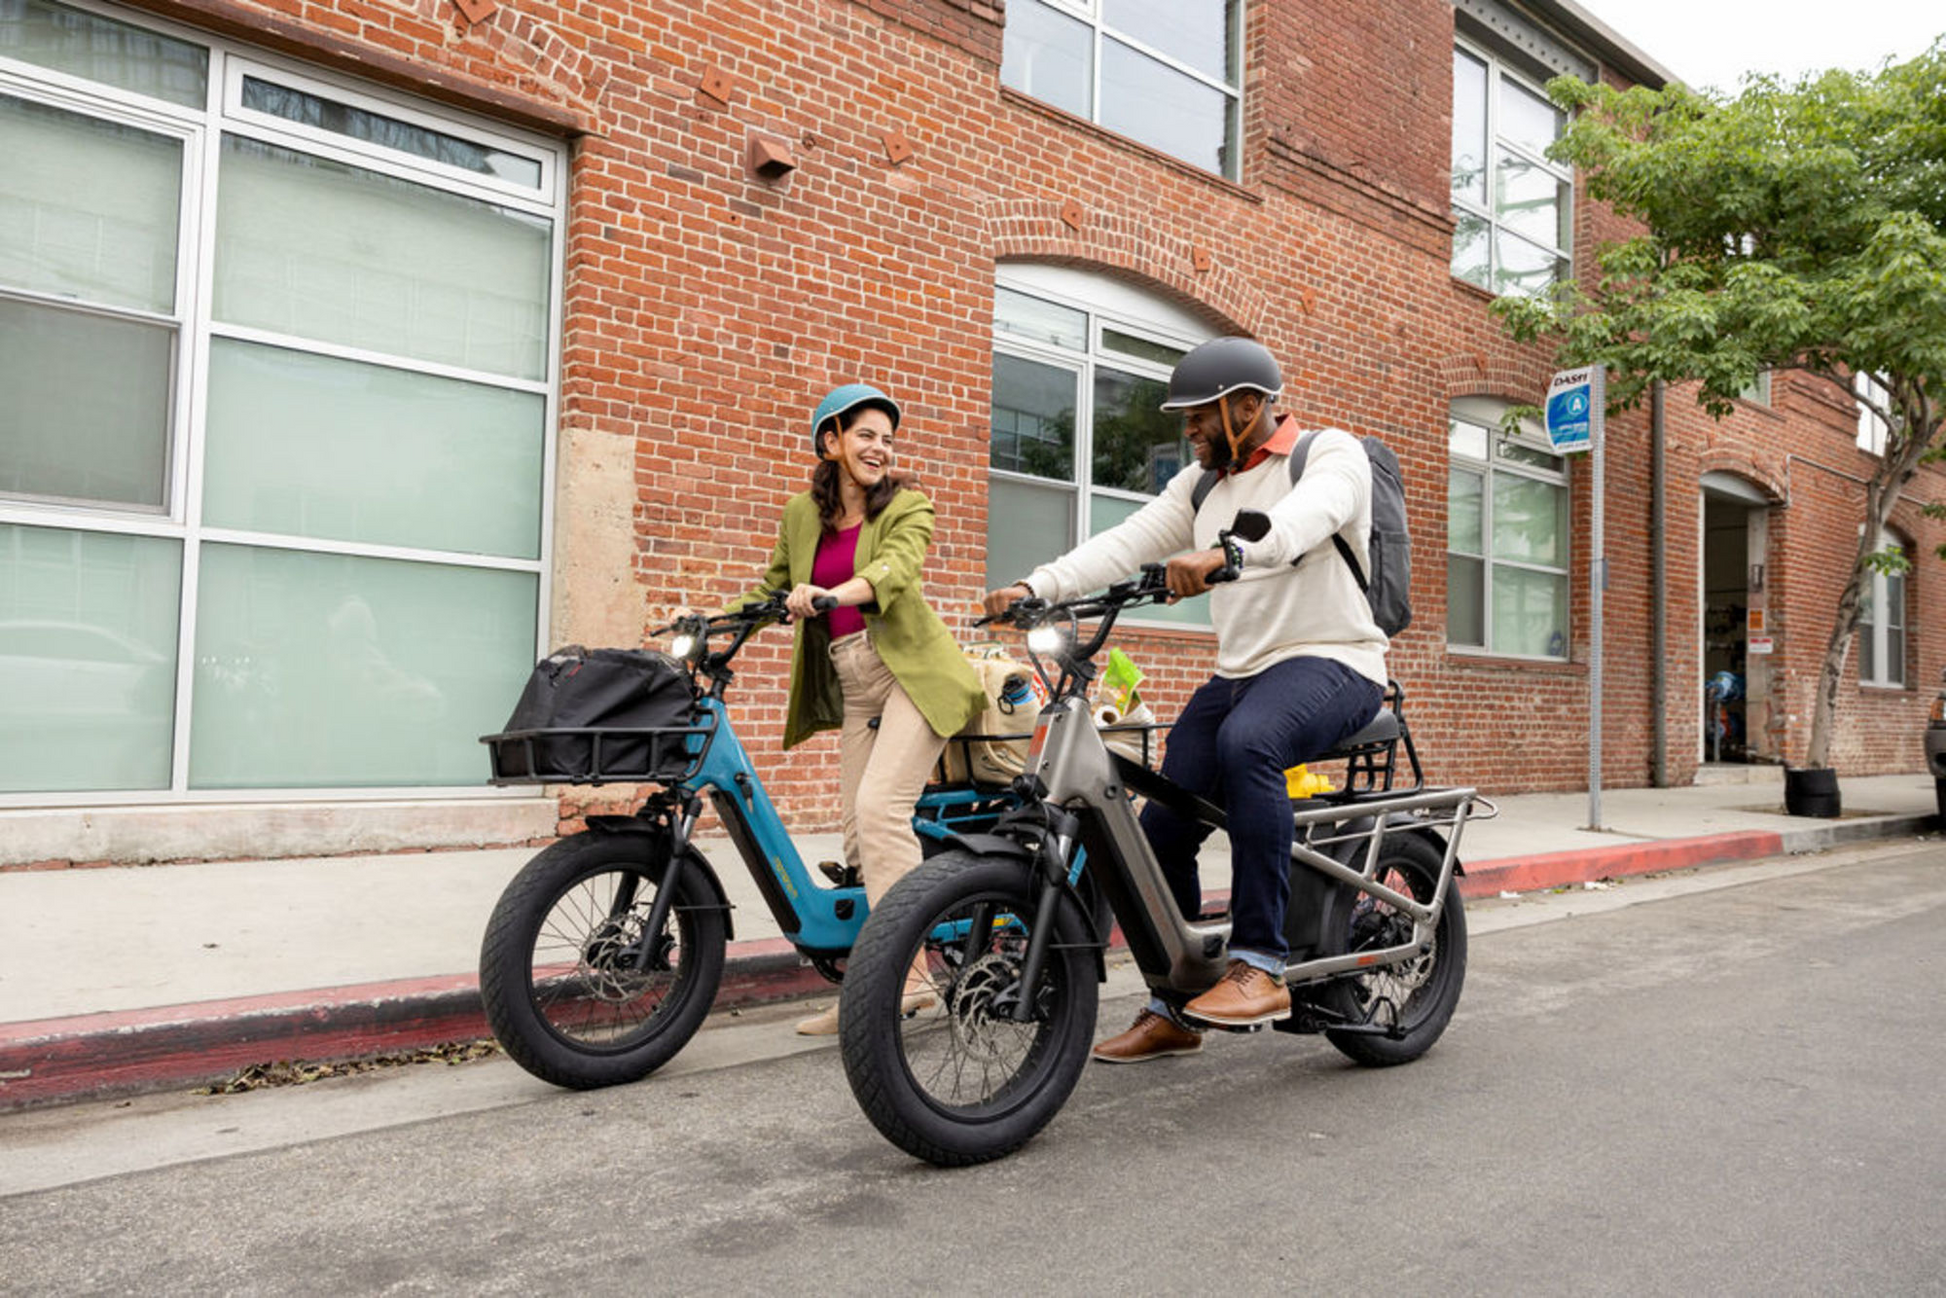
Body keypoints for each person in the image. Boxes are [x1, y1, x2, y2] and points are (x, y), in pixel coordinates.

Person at [982, 337, 1388, 1063]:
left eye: (1201, 415)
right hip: (1242, 675)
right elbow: (1127, 541)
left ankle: (1260, 963)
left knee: (1249, 744)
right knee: (1162, 824)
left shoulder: (1329, 455)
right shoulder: (1200, 486)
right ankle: (1174, 1002)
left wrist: (1229, 553)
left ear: (1248, 407)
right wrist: (1037, 585)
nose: (1190, 429)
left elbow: (1303, 519)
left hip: (1336, 659)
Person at [731, 383, 985, 1036]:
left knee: (880, 809)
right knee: (856, 837)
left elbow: (896, 570)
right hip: (855, 681)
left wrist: (832, 593)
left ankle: (912, 980)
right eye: (866, 435)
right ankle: (869, 986)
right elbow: (771, 588)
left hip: (914, 676)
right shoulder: (801, 515)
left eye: (887, 439)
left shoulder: (907, 503)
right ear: (831, 441)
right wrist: (709, 623)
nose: (880, 448)